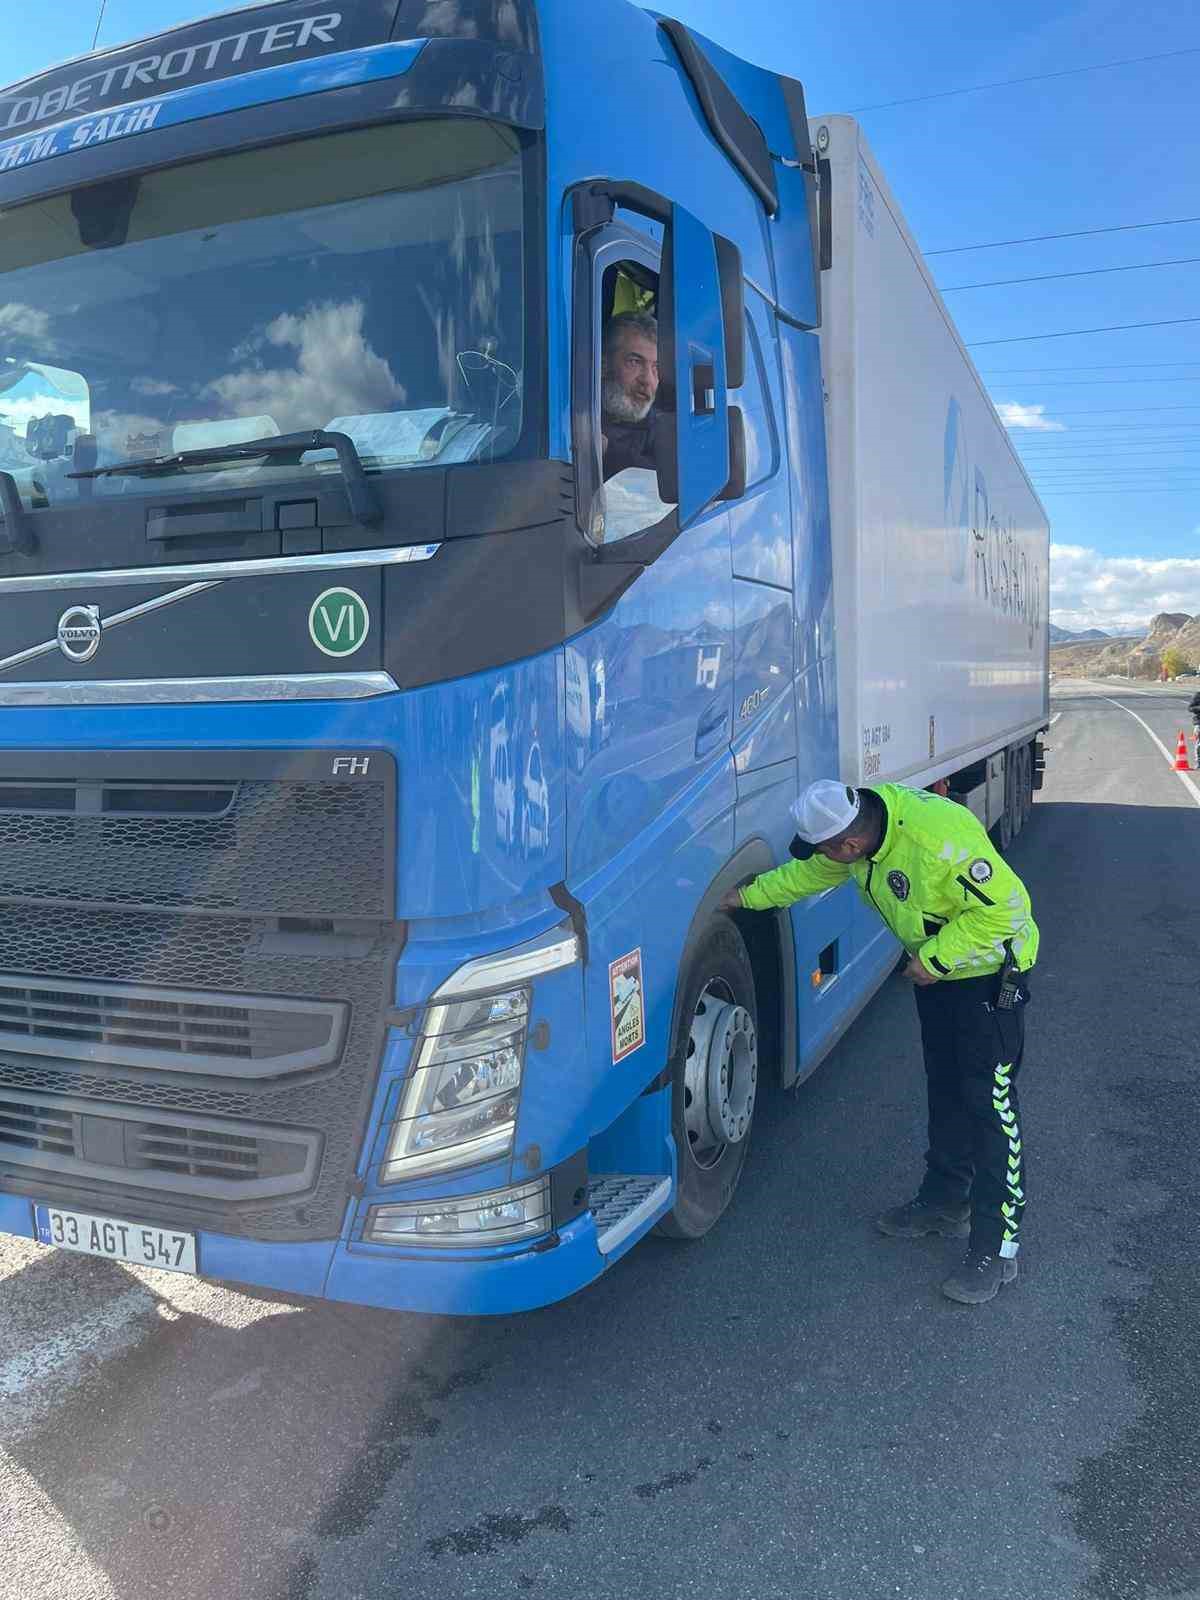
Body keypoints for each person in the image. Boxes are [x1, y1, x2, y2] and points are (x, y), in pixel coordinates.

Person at [721, 778, 1039, 1306]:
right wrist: (746, 898)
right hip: (941, 976)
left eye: (827, 848)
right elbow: (812, 872)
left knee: (989, 1105)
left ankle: (996, 1246)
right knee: (946, 1089)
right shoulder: (865, 828)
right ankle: (944, 1199)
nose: (826, 857)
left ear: (847, 841)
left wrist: (935, 959)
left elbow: (1007, 909)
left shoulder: (938, 840)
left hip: (987, 975)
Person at [601, 311, 659, 480]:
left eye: (656, 368)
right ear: (603, 364)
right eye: (634, 362)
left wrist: (607, 453)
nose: (648, 380)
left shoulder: (665, 438)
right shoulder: (567, 412)